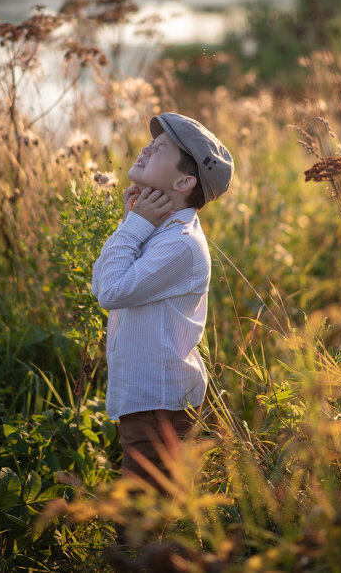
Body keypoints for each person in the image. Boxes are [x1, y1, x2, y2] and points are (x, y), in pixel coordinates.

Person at [91, 112, 234, 502]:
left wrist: (132, 226)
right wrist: (131, 223)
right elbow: (101, 283)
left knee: (142, 513)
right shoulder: (158, 230)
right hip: (147, 396)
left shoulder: (181, 243)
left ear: (184, 182)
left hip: (160, 400)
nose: (146, 148)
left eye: (160, 148)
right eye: (151, 143)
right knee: (155, 504)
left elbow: (110, 292)